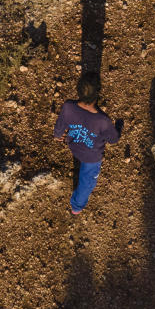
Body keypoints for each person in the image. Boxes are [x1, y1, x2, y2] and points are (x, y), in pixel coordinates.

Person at [53, 76, 121, 214]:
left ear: (78, 91)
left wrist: (58, 135)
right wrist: (119, 127)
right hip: (91, 157)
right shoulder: (103, 121)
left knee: (82, 165)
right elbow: (113, 139)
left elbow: (58, 129)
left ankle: (77, 206)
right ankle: (76, 207)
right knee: (86, 183)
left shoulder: (68, 107)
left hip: (73, 144)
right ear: (97, 95)